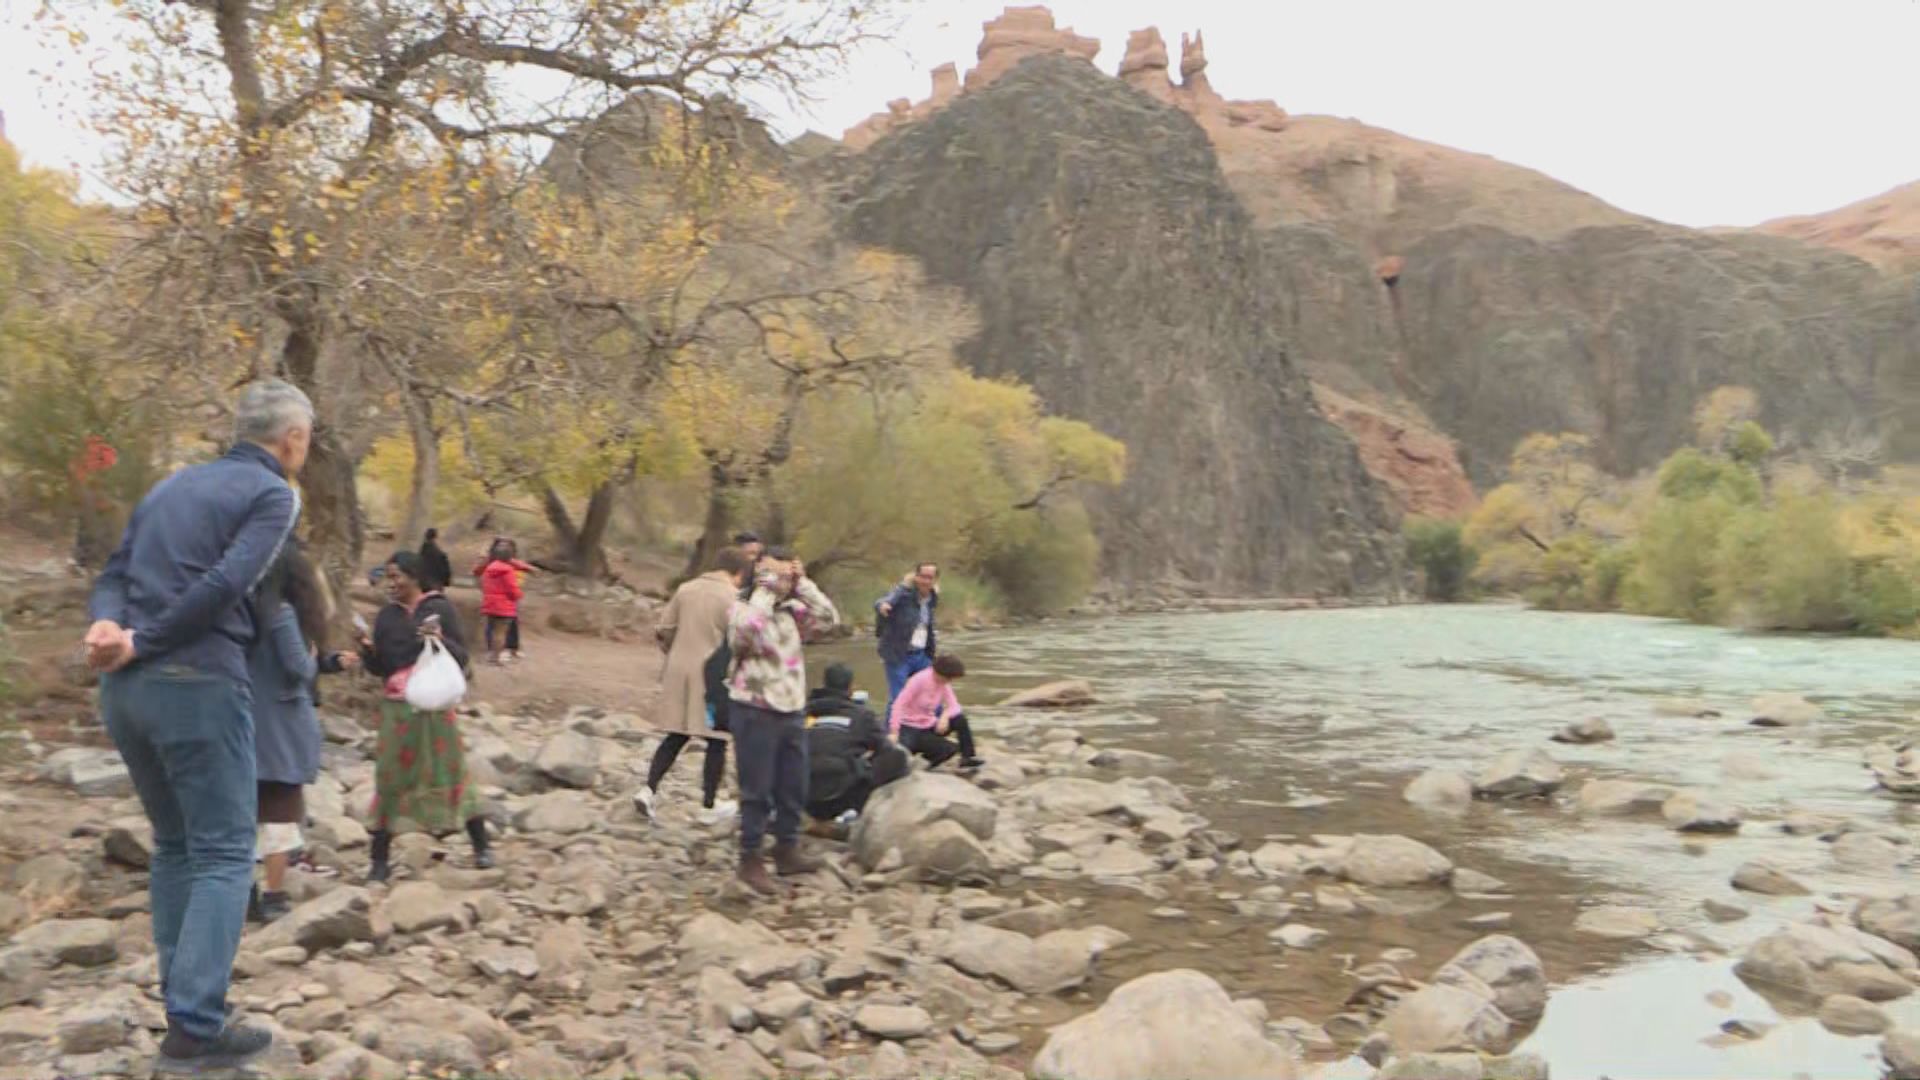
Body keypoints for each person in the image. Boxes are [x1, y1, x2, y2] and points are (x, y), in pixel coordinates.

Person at [84, 379, 310, 1075]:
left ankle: (186, 1014)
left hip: (124, 691)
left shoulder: (172, 485)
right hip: (198, 683)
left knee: (176, 847)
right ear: (292, 439)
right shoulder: (275, 494)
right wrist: (146, 638)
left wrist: (107, 624)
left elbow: (116, 570)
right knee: (220, 852)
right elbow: (224, 585)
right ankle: (195, 1030)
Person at [356, 550, 491, 882]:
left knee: (452, 770)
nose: (391, 584)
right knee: (390, 776)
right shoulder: (387, 617)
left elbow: (461, 657)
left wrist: (438, 640)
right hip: (397, 708)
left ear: (414, 576)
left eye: (396, 576)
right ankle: (379, 860)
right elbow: (383, 667)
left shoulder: (440, 609)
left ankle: (482, 846)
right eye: (388, 577)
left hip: (434, 708)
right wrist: (367, 652)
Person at [247, 545, 357, 924]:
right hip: (280, 726)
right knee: (278, 812)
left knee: (242, 814)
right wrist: (314, 659)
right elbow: (297, 668)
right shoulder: (281, 613)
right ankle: (273, 895)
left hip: (244, 721)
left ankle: (242, 893)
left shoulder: (241, 612)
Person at [726, 555, 839, 895]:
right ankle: (750, 859)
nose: (779, 580)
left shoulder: (794, 612)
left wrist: (802, 583)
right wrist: (764, 589)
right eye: (771, 573)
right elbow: (742, 636)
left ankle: (787, 848)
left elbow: (830, 620)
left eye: (784, 573)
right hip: (754, 707)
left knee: (794, 784)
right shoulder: (743, 608)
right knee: (756, 789)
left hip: (791, 707)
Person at [635, 545, 751, 825]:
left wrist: (675, 653)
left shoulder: (686, 589)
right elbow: (742, 640)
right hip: (713, 675)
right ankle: (708, 805)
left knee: (677, 733)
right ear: (738, 573)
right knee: (717, 739)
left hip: (678, 669)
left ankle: (648, 789)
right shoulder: (734, 598)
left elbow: (663, 630)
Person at [804, 663, 908, 825]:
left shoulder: (803, 713)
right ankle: (857, 813)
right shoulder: (861, 714)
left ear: (823, 684)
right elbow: (886, 749)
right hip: (842, 797)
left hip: (803, 797)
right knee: (897, 756)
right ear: (851, 688)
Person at [890, 654, 985, 770]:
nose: (950, 681)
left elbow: (955, 706)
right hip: (910, 727)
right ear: (939, 673)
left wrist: (944, 717)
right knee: (903, 755)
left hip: (929, 724)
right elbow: (898, 704)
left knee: (960, 720)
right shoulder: (919, 680)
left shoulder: (943, 683)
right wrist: (894, 731)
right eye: (949, 678)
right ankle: (919, 764)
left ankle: (967, 757)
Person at [874, 562, 940, 718]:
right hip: (898, 654)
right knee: (898, 698)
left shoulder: (932, 598)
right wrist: (882, 606)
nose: (926, 581)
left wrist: (931, 654)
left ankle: (930, 728)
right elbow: (882, 601)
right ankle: (890, 735)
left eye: (930, 578)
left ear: (935, 580)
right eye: (922, 577)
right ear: (916, 577)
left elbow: (928, 627)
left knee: (932, 694)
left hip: (921, 655)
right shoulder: (903, 594)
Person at [476, 539, 524, 666]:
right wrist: (518, 595)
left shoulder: (489, 568)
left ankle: (492, 654)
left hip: (489, 604)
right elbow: (512, 588)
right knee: (500, 632)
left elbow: (483, 583)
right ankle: (496, 658)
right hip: (504, 606)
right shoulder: (508, 570)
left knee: (491, 629)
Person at [417, 528, 453, 592]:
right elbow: (446, 570)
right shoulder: (440, 553)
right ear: (435, 537)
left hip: (424, 584)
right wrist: (445, 581)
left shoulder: (421, 553)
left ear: (425, 537)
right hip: (437, 584)